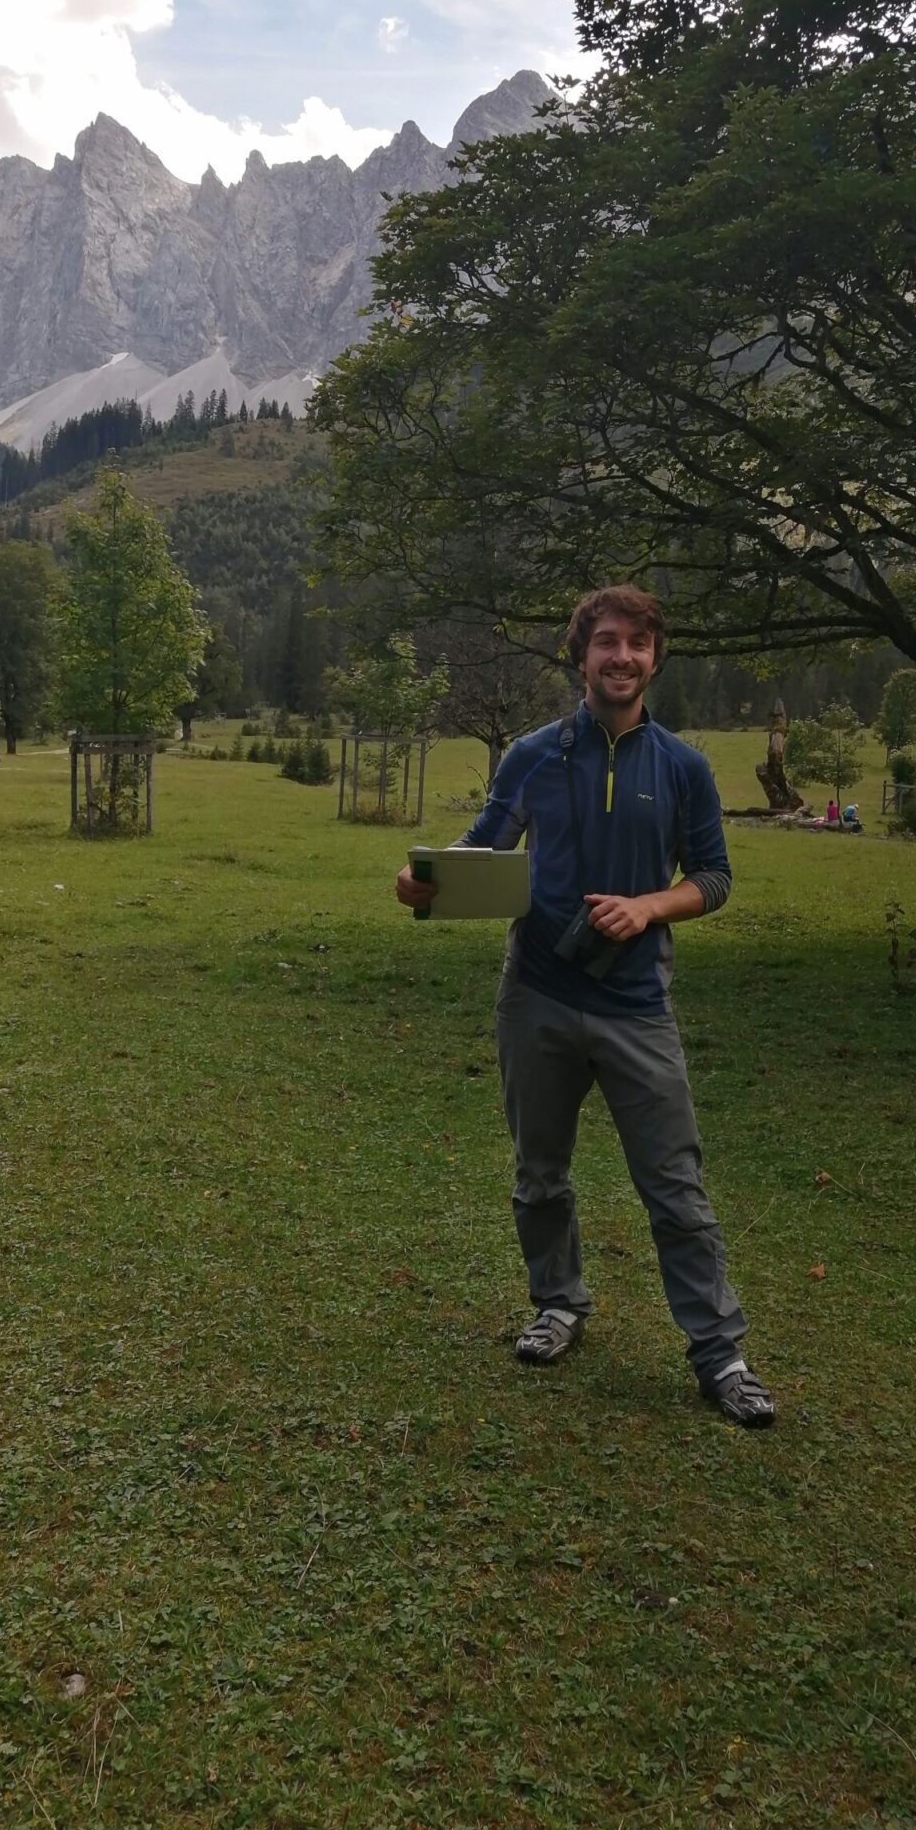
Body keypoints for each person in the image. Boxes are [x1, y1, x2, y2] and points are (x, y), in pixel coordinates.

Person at [395, 584, 775, 1430]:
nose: (623, 657)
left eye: (639, 644)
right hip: (537, 994)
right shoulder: (535, 753)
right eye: (607, 642)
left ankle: (722, 1355)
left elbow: (712, 878)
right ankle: (557, 1305)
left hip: (638, 1004)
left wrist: (646, 908)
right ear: (582, 655)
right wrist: (424, 876)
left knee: (676, 1187)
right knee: (540, 1176)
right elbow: (487, 841)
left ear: (656, 657)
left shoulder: (682, 768)